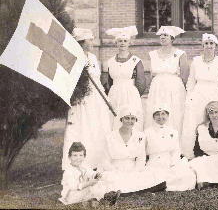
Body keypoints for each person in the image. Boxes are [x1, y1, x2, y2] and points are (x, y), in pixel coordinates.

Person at [62, 28, 112, 171]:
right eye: (89, 39)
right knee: (83, 125)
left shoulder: (92, 57)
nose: (91, 42)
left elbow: (96, 78)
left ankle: (97, 160)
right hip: (82, 97)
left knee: (97, 125)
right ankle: (80, 162)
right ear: (82, 42)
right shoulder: (74, 58)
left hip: (96, 96)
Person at [181, 34, 218, 158]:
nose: (209, 46)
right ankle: (191, 153)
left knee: (212, 121)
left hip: (213, 93)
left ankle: (212, 151)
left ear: (215, 46)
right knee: (194, 121)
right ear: (202, 45)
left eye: (211, 43)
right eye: (206, 43)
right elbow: (191, 81)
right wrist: (189, 98)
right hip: (198, 92)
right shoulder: (196, 61)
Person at [102, 105, 165, 195]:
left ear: (136, 120)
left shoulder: (140, 136)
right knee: (110, 180)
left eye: (133, 119)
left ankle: (125, 190)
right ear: (121, 119)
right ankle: (124, 190)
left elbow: (141, 158)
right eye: (127, 118)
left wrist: (135, 171)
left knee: (151, 177)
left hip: (133, 168)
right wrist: (115, 171)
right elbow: (105, 161)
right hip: (115, 169)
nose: (130, 121)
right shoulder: (110, 137)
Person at [103, 26, 146, 131]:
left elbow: (141, 83)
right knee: (114, 118)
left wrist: (133, 93)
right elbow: (109, 82)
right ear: (116, 43)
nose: (122, 43)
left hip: (130, 94)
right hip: (114, 94)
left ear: (129, 43)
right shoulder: (110, 61)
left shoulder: (136, 61)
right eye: (120, 41)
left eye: (125, 41)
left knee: (130, 117)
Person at [144, 104, 196, 191]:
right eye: (157, 114)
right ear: (153, 117)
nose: (160, 117)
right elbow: (143, 151)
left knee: (187, 176)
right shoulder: (147, 132)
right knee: (152, 178)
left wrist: (173, 163)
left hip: (169, 161)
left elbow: (176, 150)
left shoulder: (173, 131)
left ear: (167, 116)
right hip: (154, 162)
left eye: (163, 114)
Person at [146, 26, 188, 132]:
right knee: (157, 111)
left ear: (172, 38)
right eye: (161, 35)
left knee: (175, 113)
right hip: (157, 88)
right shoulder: (153, 54)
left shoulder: (180, 54)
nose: (163, 37)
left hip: (174, 88)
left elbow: (185, 76)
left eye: (166, 35)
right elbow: (151, 75)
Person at [59, 142, 120, 206]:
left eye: (80, 155)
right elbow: (74, 186)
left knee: (100, 182)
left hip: (84, 191)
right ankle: (98, 199)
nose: (78, 158)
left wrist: (96, 175)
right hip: (72, 194)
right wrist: (89, 183)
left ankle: (106, 197)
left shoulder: (83, 167)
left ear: (84, 156)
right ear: (69, 157)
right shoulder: (69, 171)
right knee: (93, 188)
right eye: (75, 155)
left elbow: (90, 173)